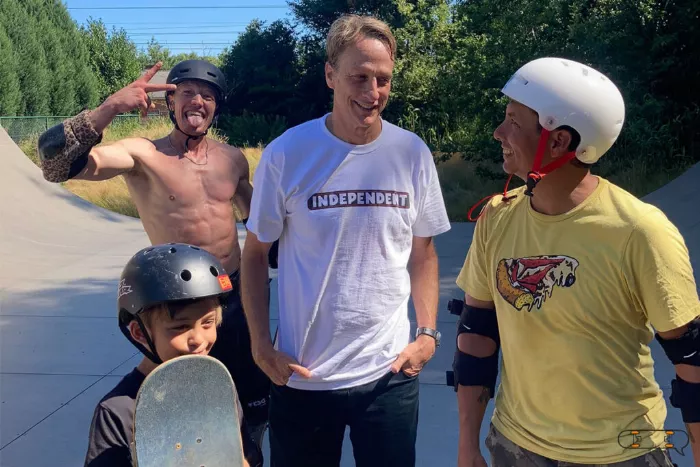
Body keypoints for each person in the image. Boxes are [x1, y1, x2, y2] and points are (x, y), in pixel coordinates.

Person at [452, 56, 700, 467]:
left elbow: (692, 363)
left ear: (559, 141)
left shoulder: (639, 231)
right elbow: (475, 337)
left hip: (622, 452)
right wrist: (467, 446)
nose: (498, 132)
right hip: (514, 447)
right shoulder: (497, 218)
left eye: (513, 121)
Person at [240, 13, 451, 467]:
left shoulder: (411, 153)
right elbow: (256, 254)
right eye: (359, 77)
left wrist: (428, 334)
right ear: (331, 75)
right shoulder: (286, 155)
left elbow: (423, 252)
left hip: (389, 376)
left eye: (383, 79)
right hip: (302, 376)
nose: (372, 93)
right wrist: (261, 346)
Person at [36, 60, 272, 452]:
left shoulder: (232, 158)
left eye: (208, 95)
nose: (198, 101)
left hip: (234, 296)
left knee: (252, 398)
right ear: (170, 100)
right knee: (180, 399)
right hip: (177, 307)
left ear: (217, 106)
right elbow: (56, 166)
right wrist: (109, 107)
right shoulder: (142, 155)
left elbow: (257, 223)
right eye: (188, 93)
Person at [83, 243, 262, 467]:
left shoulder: (218, 388)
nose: (198, 338)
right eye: (180, 327)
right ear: (139, 333)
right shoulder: (118, 411)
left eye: (207, 323)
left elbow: (244, 454)